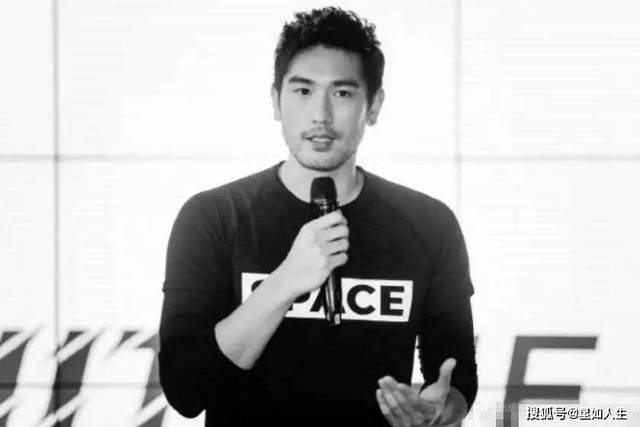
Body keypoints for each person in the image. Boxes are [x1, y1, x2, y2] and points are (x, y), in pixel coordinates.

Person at [159, 7, 477, 427]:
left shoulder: (429, 224)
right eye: (303, 91)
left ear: (374, 105)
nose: (321, 116)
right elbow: (185, 390)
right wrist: (285, 282)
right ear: (276, 100)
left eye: (342, 93)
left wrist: (439, 411)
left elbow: (457, 380)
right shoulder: (214, 217)